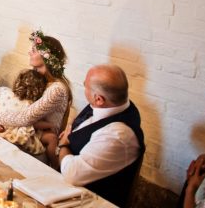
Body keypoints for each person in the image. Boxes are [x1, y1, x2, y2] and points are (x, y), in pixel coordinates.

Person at [57, 64, 145, 207]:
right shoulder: (111, 104)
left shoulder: (117, 135)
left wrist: (63, 144)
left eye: (86, 85)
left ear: (99, 99)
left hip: (90, 200)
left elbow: (72, 174)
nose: (84, 86)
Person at [0, 31, 73, 158]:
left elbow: (26, 117)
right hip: (28, 131)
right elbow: (20, 107)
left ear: (47, 56)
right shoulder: (38, 79)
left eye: (34, 50)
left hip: (39, 144)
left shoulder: (57, 89)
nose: (29, 52)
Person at [0, 69, 50, 157]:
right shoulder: (30, 106)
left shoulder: (3, 92)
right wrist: (50, 125)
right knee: (50, 138)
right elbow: (32, 125)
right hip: (14, 137)